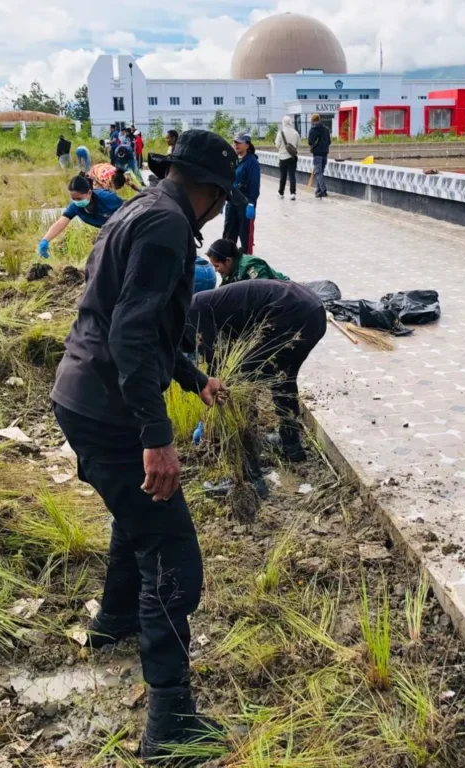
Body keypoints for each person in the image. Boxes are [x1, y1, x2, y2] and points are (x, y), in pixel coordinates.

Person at [50, 129, 245, 758]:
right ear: (211, 191)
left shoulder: (141, 207)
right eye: (223, 198)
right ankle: (170, 725)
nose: (219, 209)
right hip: (109, 409)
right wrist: (157, 438)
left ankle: (114, 620)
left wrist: (193, 377)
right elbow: (130, 336)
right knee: (173, 556)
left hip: (81, 393)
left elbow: (134, 321)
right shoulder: (166, 227)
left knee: (136, 517)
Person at [186, 279, 327, 462]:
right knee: (283, 376)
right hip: (314, 310)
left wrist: (208, 418)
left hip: (291, 311)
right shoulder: (203, 305)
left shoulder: (192, 311)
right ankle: (292, 446)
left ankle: (247, 452)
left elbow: (215, 363)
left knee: (241, 378)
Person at [37, 174, 124, 258]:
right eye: (73, 198)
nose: (76, 201)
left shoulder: (107, 198)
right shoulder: (74, 206)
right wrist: (45, 240)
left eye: (79, 198)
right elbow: (60, 223)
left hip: (125, 227)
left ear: (89, 193)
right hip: (110, 230)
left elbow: (129, 210)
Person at [222, 132, 260, 253]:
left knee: (245, 236)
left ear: (247, 145)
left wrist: (251, 202)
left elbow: (254, 184)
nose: (236, 145)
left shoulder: (252, 162)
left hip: (245, 203)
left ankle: (246, 260)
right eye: (234, 142)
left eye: (239, 143)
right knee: (228, 234)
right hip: (232, 201)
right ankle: (227, 259)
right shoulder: (233, 160)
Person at [206, 238, 288, 284]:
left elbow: (263, 290)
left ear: (228, 260)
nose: (215, 270)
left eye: (217, 266)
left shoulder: (250, 266)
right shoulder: (229, 272)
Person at [275, 115, 300, 200]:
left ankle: (281, 193)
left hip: (283, 157)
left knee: (283, 175)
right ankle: (292, 193)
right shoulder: (295, 133)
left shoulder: (280, 133)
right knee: (292, 175)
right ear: (290, 122)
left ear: (283, 123)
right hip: (292, 157)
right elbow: (298, 144)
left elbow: (277, 145)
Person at [307, 114, 331, 199]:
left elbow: (310, 142)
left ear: (312, 121)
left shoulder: (313, 130)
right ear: (319, 119)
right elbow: (329, 142)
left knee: (318, 172)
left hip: (317, 154)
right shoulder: (326, 129)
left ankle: (323, 191)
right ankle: (319, 191)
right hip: (325, 154)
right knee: (320, 172)